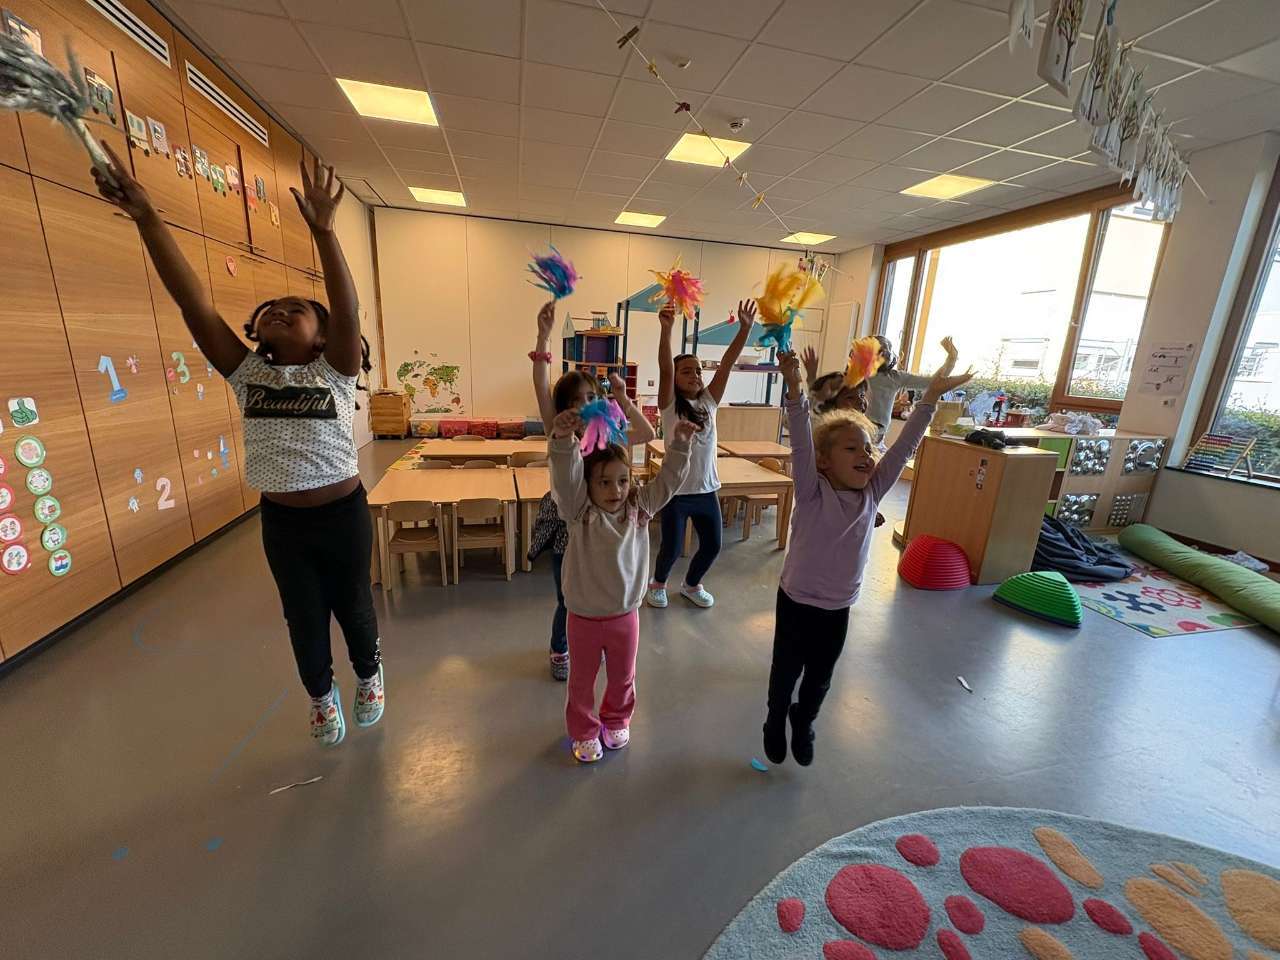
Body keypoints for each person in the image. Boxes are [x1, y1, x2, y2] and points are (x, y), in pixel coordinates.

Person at [93, 147, 379, 747]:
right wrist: (148, 218)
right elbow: (193, 303)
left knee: (353, 606)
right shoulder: (247, 374)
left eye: (297, 310)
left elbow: (348, 307)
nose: (280, 312)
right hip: (283, 523)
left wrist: (325, 234)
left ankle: (369, 673)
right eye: (272, 309)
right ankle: (321, 694)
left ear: (323, 336)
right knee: (302, 616)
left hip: (343, 516)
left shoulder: (334, 371)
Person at [762, 350, 972, 767]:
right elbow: (801, 438)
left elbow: (905, 446)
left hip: (837, 608)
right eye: (852, 448)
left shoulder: (872, 492)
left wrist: (930, 396)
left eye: (869, 448)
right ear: (824, 460)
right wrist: (794, 385)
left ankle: (803, 720)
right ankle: (774, 718)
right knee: (785, 671)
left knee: (820, 678)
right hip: (796, 601)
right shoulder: (811, 490)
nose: (866, 455)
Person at [549, 407, 696, 763]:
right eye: (603, 482)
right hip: (583, 617)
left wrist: (680, 446)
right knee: (582, 681)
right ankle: (584, 730)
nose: (615, 490)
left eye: (622, 480)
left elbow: (669, 482)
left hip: (625, 615)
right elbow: (565, 478)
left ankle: (616, 720)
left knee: (622, 677)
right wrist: (563, 441)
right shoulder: (578, 510)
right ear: (587, 484)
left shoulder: (639, 507)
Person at [530, 301, 655, 681]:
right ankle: (560, 647)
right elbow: (540, 386)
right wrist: (543, 337)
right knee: (569, 597)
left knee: (603, 585)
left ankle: (594, 639)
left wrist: (623, 398)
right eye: (575, 401)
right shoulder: (560, 430)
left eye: (590, 398)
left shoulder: (610, 437)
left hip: (608, 526)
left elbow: (647, 433)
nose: (583, 406)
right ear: (564, 408)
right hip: (569, 525)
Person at [647, 299, 756, 609]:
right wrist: (666, 330)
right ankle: (658, 583)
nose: (694, 375)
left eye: (697, 370)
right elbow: (664, 369)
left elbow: (726, 364)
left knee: (712, 545)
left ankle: (692, 584)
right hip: (676, 491)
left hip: (706, 490)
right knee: (671, 548)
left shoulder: (709, 401)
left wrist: (744, 329)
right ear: (675, 378)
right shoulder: (670, 405)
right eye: (686, 371)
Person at [866, 336, 958, 444]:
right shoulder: (860, 375)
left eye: (888, 349)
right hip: (860, 433)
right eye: (881, 349)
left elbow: (931, 382)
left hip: (879, 438)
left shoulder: (895, 377)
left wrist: (951, 360)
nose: (886, 353)